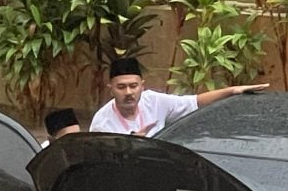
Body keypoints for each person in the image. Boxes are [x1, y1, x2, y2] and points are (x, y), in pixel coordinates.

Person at [89, 57, 269, 137]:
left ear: (142, 86)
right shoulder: (102, 123)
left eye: (133, 86)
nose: (128, 92)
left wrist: (232, 90)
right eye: (121, 87)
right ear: (111, 89)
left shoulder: (154, 101)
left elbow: (195, 102)